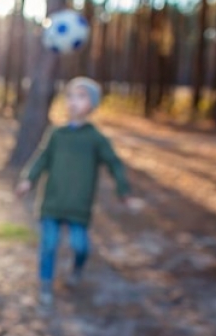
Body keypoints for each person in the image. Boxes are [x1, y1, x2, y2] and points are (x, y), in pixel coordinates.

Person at [15, 77, 140, 307]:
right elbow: (41, 158)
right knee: (49, 244)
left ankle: (77, 269)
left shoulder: (95, 138)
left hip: (78, 206)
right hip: (52, 202)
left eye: (81, 97)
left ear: (91, 105)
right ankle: (45, 284)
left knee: (80, 246)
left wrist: (124, 191)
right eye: (71, 96)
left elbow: (114, 163)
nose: (74, 101)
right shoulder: (56, 134)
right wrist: (28, 180)